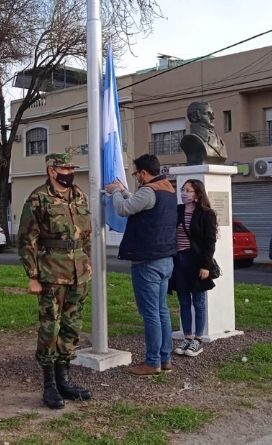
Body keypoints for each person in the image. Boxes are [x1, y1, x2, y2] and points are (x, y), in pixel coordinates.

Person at [17, 152, 92, 410]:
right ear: (52, 170)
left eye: (72, 167)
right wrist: (32, 276)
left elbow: (87, 236)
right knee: (51, 327)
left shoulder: (80, 196)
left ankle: (64, 380)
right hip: (52, 273)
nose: (69, 172)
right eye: (65, 167)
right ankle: (49, 385)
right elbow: (26, 240)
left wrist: (87, 263)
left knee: (72, 325)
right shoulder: (38, 198)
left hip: (79, 273)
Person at [106, 154, 177, 376]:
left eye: (136, 173)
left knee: (151, 314)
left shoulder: (148, 191)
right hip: (165, 258)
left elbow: (124, 209)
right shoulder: (167, 189)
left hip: (147, 260)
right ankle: (165, 359)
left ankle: (152, 362)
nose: (135, 177)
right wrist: (125, 193)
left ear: (144, 173)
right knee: (162, 310)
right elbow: (138, 203)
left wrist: (115, 192)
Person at [172, 179, 217, 358]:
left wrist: (205, 265)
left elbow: (210, 242)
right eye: (183, 190)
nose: (184, 193)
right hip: (179, 260)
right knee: (183, 301)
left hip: (197, 261)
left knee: (198, 301)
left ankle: (198, 339)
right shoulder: (178, 210)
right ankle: (187, 336)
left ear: (197, 193)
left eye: (188, 190)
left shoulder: (207, 214)